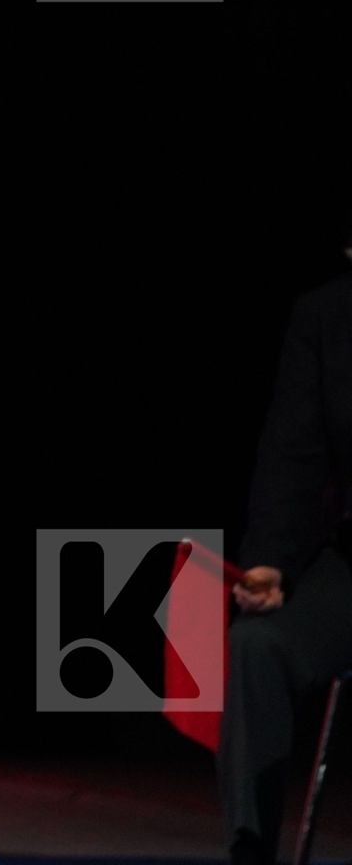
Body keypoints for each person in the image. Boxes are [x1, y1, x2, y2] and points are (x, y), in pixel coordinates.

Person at [220, 269, 352, 865]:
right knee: (257, 646)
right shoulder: (328, 315)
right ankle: (250, 853)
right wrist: (271, 561)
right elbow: (293, 454)